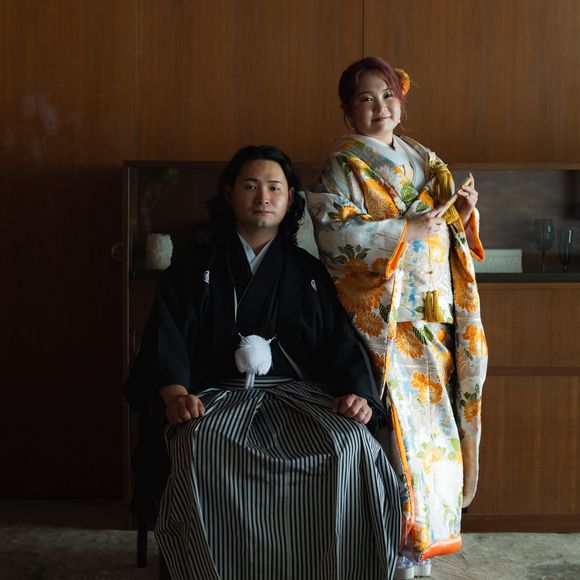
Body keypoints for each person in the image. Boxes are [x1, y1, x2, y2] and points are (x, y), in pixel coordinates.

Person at [124, 145, 402, 580]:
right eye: (250, 186)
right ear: (229, 193)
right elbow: (167, 334)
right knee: (202, 444)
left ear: (290, 198)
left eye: (275, 188)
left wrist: (358, 393)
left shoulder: (309, 271)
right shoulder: (194, 266)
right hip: (217, 395)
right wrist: (175, 393)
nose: (263, 197)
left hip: (299, 396)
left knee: (350, 444)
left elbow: (339, 339)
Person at [306, 57, 488, 579]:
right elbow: (334, 232)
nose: (379, 107)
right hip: (389, 323)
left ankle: (423, 549)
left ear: (401, 103)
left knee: (437, 436)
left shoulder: (424, 158)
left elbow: (443, 229)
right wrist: (404, 231)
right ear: (348, 112)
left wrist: (462, 214)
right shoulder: (343, 166)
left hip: (436, 317)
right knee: (400, 437)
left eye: (387, 95)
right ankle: (393, 552)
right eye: (365, 99)